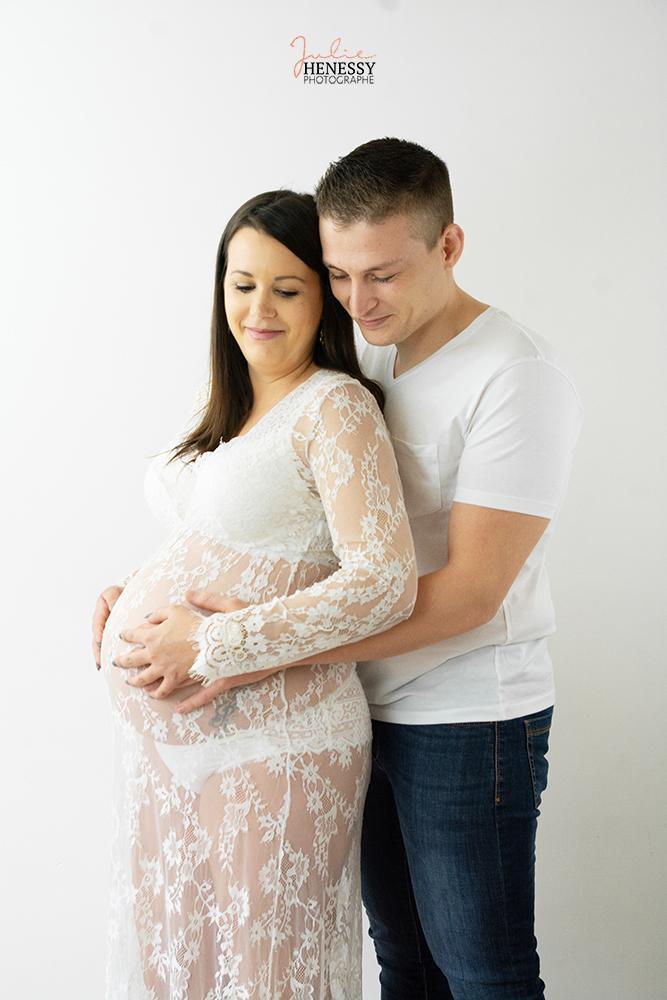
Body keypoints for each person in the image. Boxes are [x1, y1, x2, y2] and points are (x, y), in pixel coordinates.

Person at [95, 139, 583, 1000]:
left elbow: (468, 594)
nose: (359, 299)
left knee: (481, 968)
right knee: (401, 956)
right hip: (356, 699)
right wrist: (148, 599)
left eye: (383, 274)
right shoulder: (374, 350)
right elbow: (290, 523)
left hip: (465, 713)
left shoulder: (516, 374)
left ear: (448, 246)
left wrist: (231, 646)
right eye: (340, 274)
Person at [94, 188, 417, 999]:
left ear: (324, 297)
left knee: (274, 977)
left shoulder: (334, 405)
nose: (258, 308)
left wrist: (207, 643)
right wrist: (132, 593)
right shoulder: (231, 411)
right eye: (241, 285)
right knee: (185, 967)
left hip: (281, 741)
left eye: (286, 287)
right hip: (171, 747)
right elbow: (238, 539)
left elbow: (383, 583)